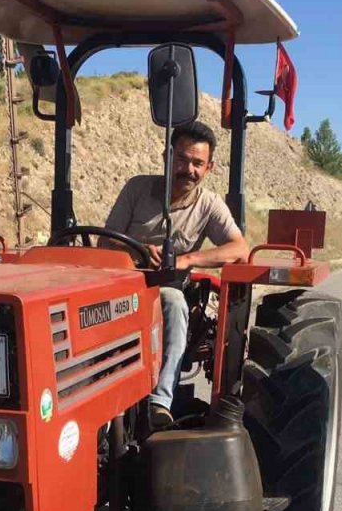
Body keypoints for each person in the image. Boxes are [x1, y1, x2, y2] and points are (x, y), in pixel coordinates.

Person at [100, 121, 250, 429]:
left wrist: (188, 259)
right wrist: (137, 248)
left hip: (162, 290)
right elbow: (106, 241)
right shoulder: (138, 188)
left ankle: (160, 402)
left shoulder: (208, 204)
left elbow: (239, 248)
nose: (189, 169)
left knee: (173, 301)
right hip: (119, 286)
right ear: (168, 157)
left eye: (197, 163)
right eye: (182, 159)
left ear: (209, 167)